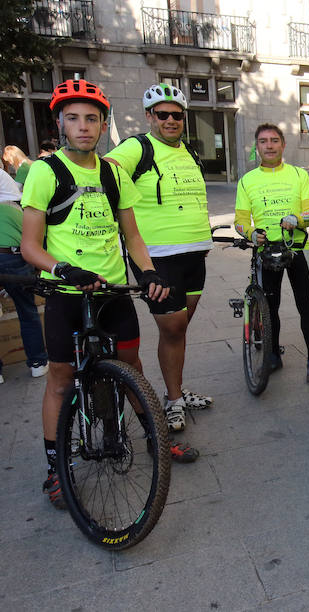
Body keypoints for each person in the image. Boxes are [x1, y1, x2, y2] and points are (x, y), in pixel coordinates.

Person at [18, 79, 194, 509]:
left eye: (92, 119)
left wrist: (150, 272)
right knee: (60, 381)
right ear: (59, 122)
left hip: (112, 291)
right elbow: (29, 245)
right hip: (66, 294)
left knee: (131, 366)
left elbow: (132, 234)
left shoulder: (114, 173)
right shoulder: (45, 171)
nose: (83, 127)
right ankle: (55, 469)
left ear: (103, 124)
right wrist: (62, 268)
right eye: (74, 118)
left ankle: (155, 438)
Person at [105, 83, 213, 433]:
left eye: (177, 115)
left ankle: (175, 393)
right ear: (149, 116)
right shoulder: (137, 147)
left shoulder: (189, 152)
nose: (170, 120)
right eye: (162, 114)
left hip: (194, 252)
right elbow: (103, 172)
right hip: (158, 257)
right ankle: (173, 400)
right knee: (172, 327)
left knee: (179, 329)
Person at [234, 123, 309, 381]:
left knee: (305, 305)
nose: (269, 145)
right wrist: (250, 234)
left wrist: (297, 218)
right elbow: (240, 220)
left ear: (283, 145)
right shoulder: (247, 180)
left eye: (274, 140)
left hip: (296, 249)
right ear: (257, 147)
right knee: (270, 308)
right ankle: (273, 356)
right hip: (266, 250)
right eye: (263, 141)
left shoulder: (299, 175)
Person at [0, 171, 48, 383]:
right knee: (27, 311)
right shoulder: (14, 210)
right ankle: (37, 362)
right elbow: (33, 241)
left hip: (10, 259)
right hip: (13, 259)